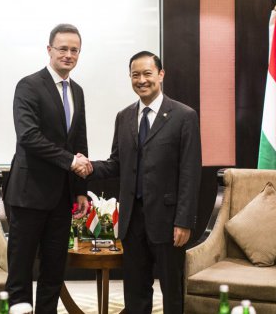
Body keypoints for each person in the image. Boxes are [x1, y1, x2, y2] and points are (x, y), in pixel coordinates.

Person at [82, 51, 201, 313]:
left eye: (147, 73)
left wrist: (184, 220)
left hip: (169, 220)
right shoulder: (124, 117)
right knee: (135, 291)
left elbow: (190, 172)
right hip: (132, 219)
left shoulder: (184, 116)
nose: (141, 80)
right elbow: (116, 163)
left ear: (161, 74)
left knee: (172, 291)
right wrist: (87, 166)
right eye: (135, 75)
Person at [4, 23, 91, 313]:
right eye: (63, 48)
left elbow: (79, 141)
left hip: (62, 198)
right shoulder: (29, 85)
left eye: (74, 50)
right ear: (49, 50)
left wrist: (80, 191)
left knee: (54, 271)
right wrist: (69, 161)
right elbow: (28, 137)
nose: (68, 54)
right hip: (29, 195)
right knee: (20, 271)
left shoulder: (76, 91)